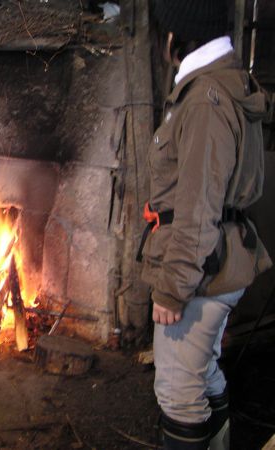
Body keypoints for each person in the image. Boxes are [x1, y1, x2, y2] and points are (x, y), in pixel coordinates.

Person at [139, 1, 272, 449]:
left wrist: (173, 287)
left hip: (202, 272)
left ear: (176, 37)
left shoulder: (204, 102)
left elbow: (198, 211)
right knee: (202, 369)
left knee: (178, 393)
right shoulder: (219, 87)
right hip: (216, 261)